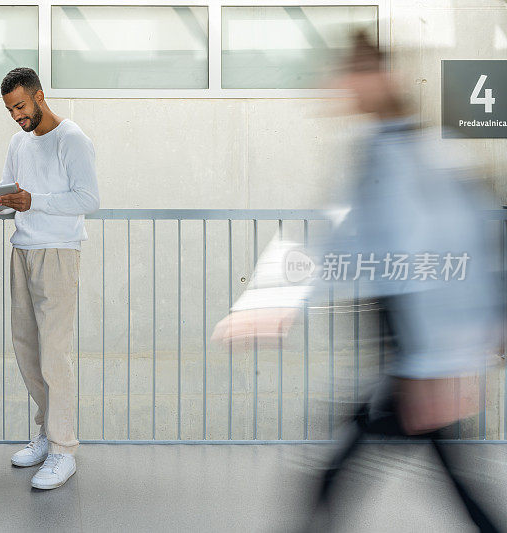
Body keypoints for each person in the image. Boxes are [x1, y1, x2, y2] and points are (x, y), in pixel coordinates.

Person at [213, 33, 503, 531]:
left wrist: (435, 365)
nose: (341, 87)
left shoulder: (411, 155)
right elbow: (341, 240)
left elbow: (441, 253)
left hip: (411, 351)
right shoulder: (379, 148)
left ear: (379, 78)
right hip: (402, 352)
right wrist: (273, 302)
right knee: (420, 469)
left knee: (347, 465)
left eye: (352, 75)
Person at [0, 67, 100, 490]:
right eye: (10, 110)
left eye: (21, 106)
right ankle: (44, 434)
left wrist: (33, 200)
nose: (17, 116)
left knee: (54, 354)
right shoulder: (18, 141)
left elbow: (89, 198)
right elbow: (9, 194)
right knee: (27, 352)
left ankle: (63, 449)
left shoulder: (72, 138)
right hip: (22, 250)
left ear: (40, 96)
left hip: (58, 253)